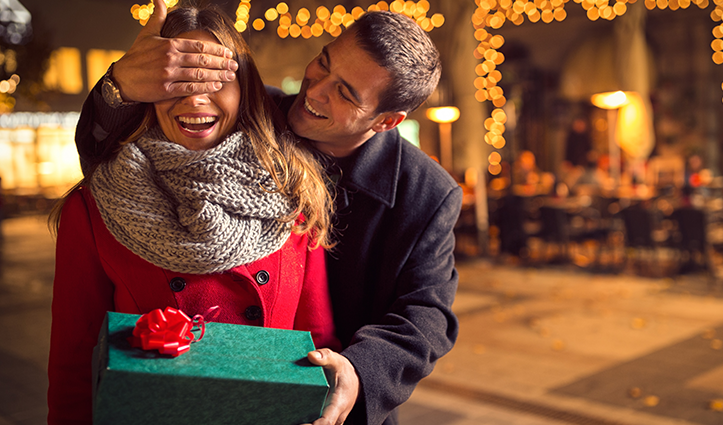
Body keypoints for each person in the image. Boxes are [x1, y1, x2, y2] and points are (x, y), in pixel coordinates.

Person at [74, 2, 462, 425]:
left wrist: (359, 371)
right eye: (324, 63)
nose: (315, 90)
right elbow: (109, 151)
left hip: (330, 400)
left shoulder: (427, 193)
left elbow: (427, 314)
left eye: (345, 92)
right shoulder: (253, 111)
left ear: (387, 121)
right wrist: (120, 85)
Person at [48, 5, 339, 424]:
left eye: (216, 79)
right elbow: (72, 369)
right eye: (177, 81)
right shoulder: (95, 207)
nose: (196, 98)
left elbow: (318, 343)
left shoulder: (292, 194)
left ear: (245, 92)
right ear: (147, 91)